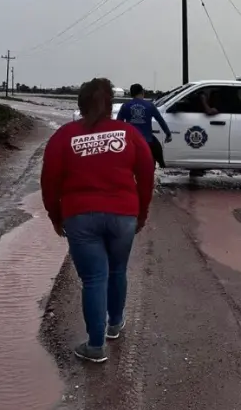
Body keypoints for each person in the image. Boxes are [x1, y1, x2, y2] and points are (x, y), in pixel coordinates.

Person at [41, 78, 155, 363]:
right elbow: (146, 172)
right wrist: (140, 213)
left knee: (94, 279)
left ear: (80, 104)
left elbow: (49, 180)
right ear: (111, 105)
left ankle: (95, 345)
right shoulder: (128, 133)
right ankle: (115, 324)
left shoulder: (64, 136)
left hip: (80, 217)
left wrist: (55, 216)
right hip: (123, 216)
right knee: (117, 271)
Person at [117, 83, 172, 168]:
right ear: (142, 92)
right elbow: (160, 120)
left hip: (130, 141)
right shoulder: (150, 105)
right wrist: (168, 134)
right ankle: (162, 164)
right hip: (147, 141)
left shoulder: (125, 106)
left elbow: (118, 124)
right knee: (157, 150)